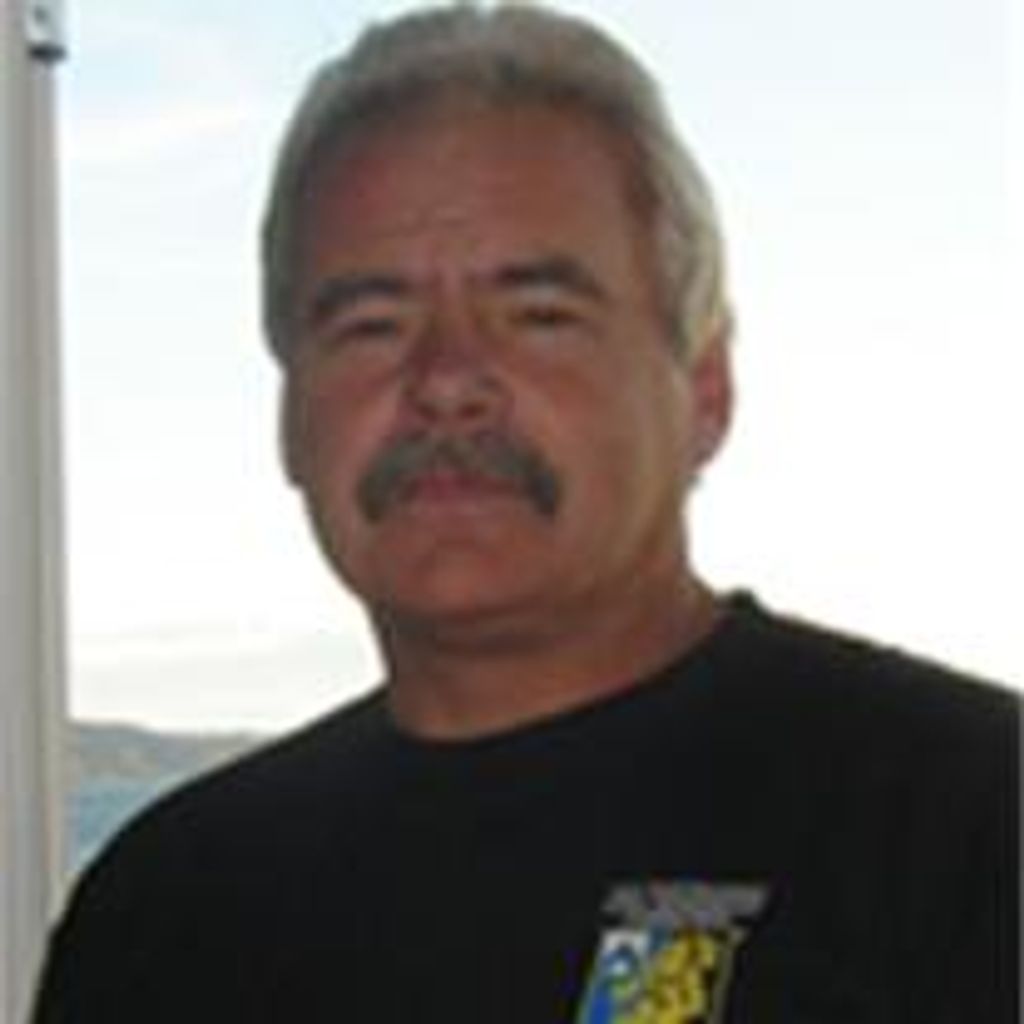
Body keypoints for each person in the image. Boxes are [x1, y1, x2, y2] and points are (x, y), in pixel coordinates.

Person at [32, 4, 1018, 1022]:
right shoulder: (164, 911)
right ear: (292, 418)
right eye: (371, 325)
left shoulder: (971, 826)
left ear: (705, 388)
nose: (445, 381)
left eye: (538, 316)